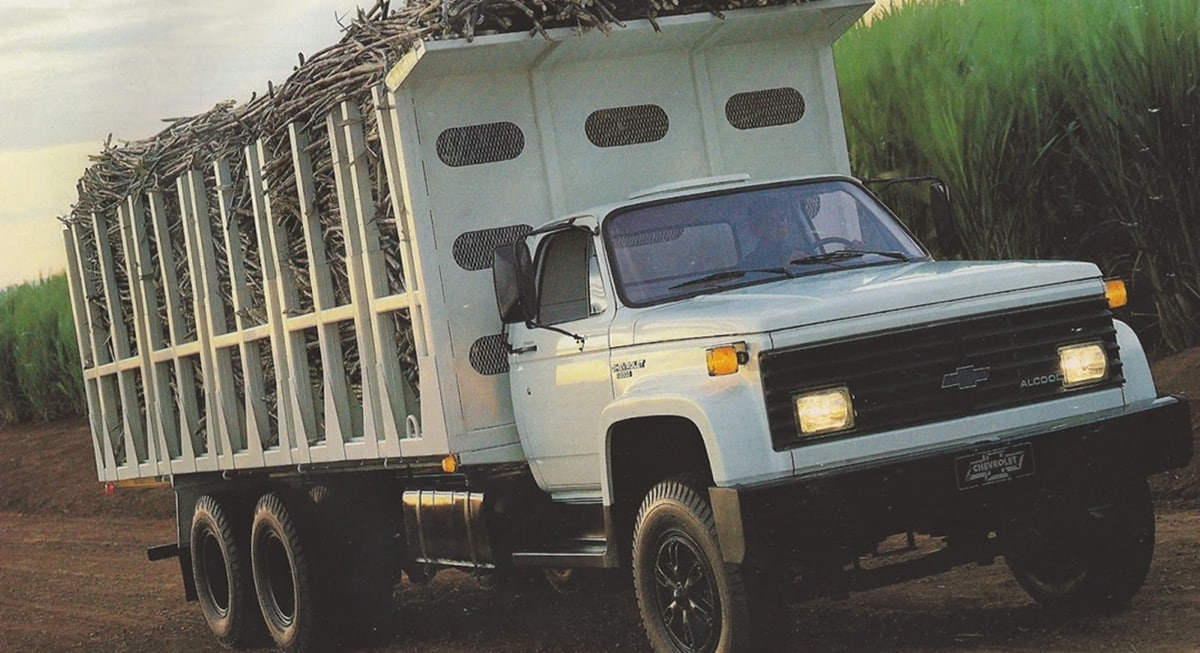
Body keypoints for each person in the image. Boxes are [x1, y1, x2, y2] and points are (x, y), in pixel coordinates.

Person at [740, 196, 812, 269]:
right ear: (758, 230)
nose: (781, 224)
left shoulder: (803, 246)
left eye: (782, 218)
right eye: (772, 222)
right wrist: (784, 268)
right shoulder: (752, 263)